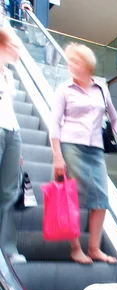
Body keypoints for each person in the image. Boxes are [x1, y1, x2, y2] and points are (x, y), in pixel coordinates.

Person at [50, 43, 117, 264]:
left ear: (86, 65)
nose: (70, 65)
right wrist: (57, 155)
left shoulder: (101, 88)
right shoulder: (64, 89)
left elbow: (114, 119)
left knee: (101, 198)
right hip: (71, 146)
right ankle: (75, 248)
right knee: (72, 197)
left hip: (95, 149)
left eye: (75, 61)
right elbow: (54, 123)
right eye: (69, 61)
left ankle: (94, 248)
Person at [0, 29, 26, 264]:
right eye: (15, 46)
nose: (18, 51)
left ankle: (7, 247)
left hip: (11, 130)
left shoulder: (8, 75)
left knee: (9, 192)